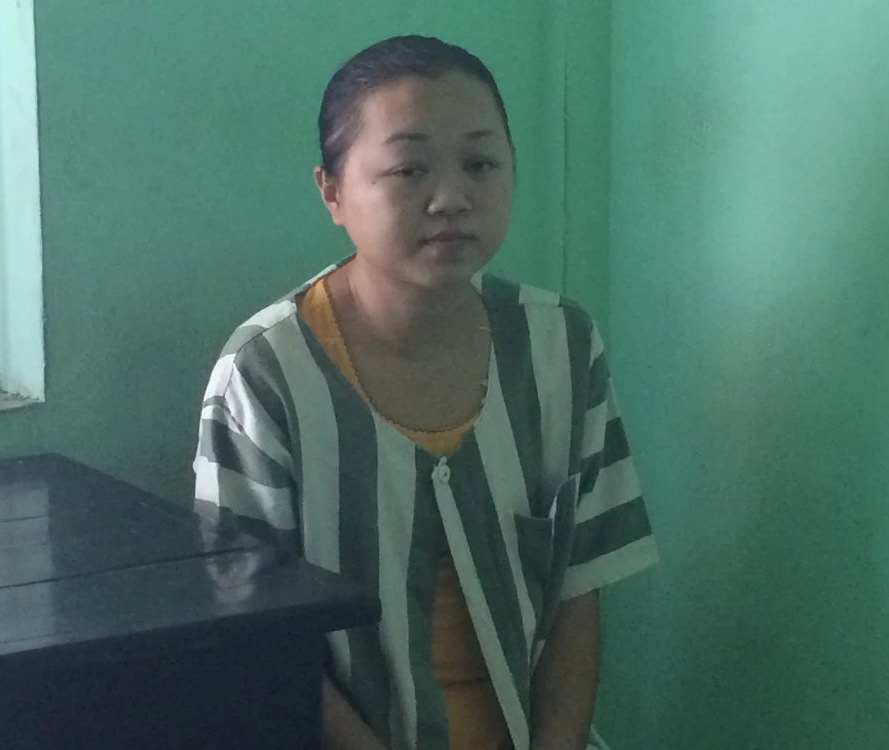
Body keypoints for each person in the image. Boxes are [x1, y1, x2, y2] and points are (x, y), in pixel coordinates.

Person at [193, 35, 657, 750]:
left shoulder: (562, 347)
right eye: (409, 170)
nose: (451, 199)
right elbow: (257, 638)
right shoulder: (265, 375)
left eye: (480, 164)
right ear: (332, 192)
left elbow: (578, 594)